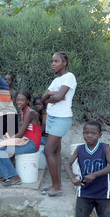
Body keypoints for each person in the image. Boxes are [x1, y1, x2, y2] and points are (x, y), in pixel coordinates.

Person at [41, 51, 77, 197]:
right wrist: (50, 96)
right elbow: (43, 98)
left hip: (61, 118)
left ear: (65, 62)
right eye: (52, 61)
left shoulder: (69, 77)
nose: (53, 64)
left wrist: (51, 96)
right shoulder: (56, 81)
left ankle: (56, 188)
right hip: (51, 117)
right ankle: (57, 185)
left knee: (48, 150)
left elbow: (60, 97)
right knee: (55, 151)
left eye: (56, 61)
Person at [0, 91, 41, 186]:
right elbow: (22, 133)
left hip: (32, 144)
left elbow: (20, 134)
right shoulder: (23, 111)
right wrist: (8, 140)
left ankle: (14, 176)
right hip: (25, 141)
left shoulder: (29, 113)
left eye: (22, 100)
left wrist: (7, 141)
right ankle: (5, 175)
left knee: (0, 147)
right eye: (18, 100)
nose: (19, 102)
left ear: (28, 101)